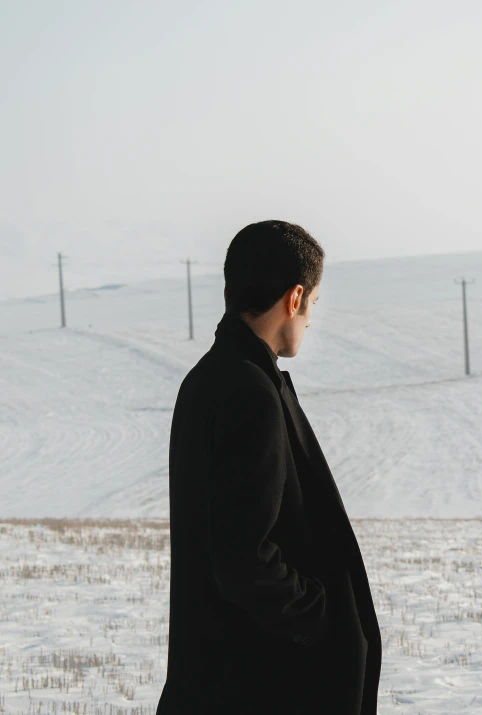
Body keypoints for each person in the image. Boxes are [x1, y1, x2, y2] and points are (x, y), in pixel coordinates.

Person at [155, 220, 382, 715]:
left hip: (218, 678)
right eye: (314, 306)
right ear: (295, 298)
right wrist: (321, 618)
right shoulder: (248, 391)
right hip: (258, 682)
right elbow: (241, 555)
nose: (309, 320)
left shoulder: (208, 378)